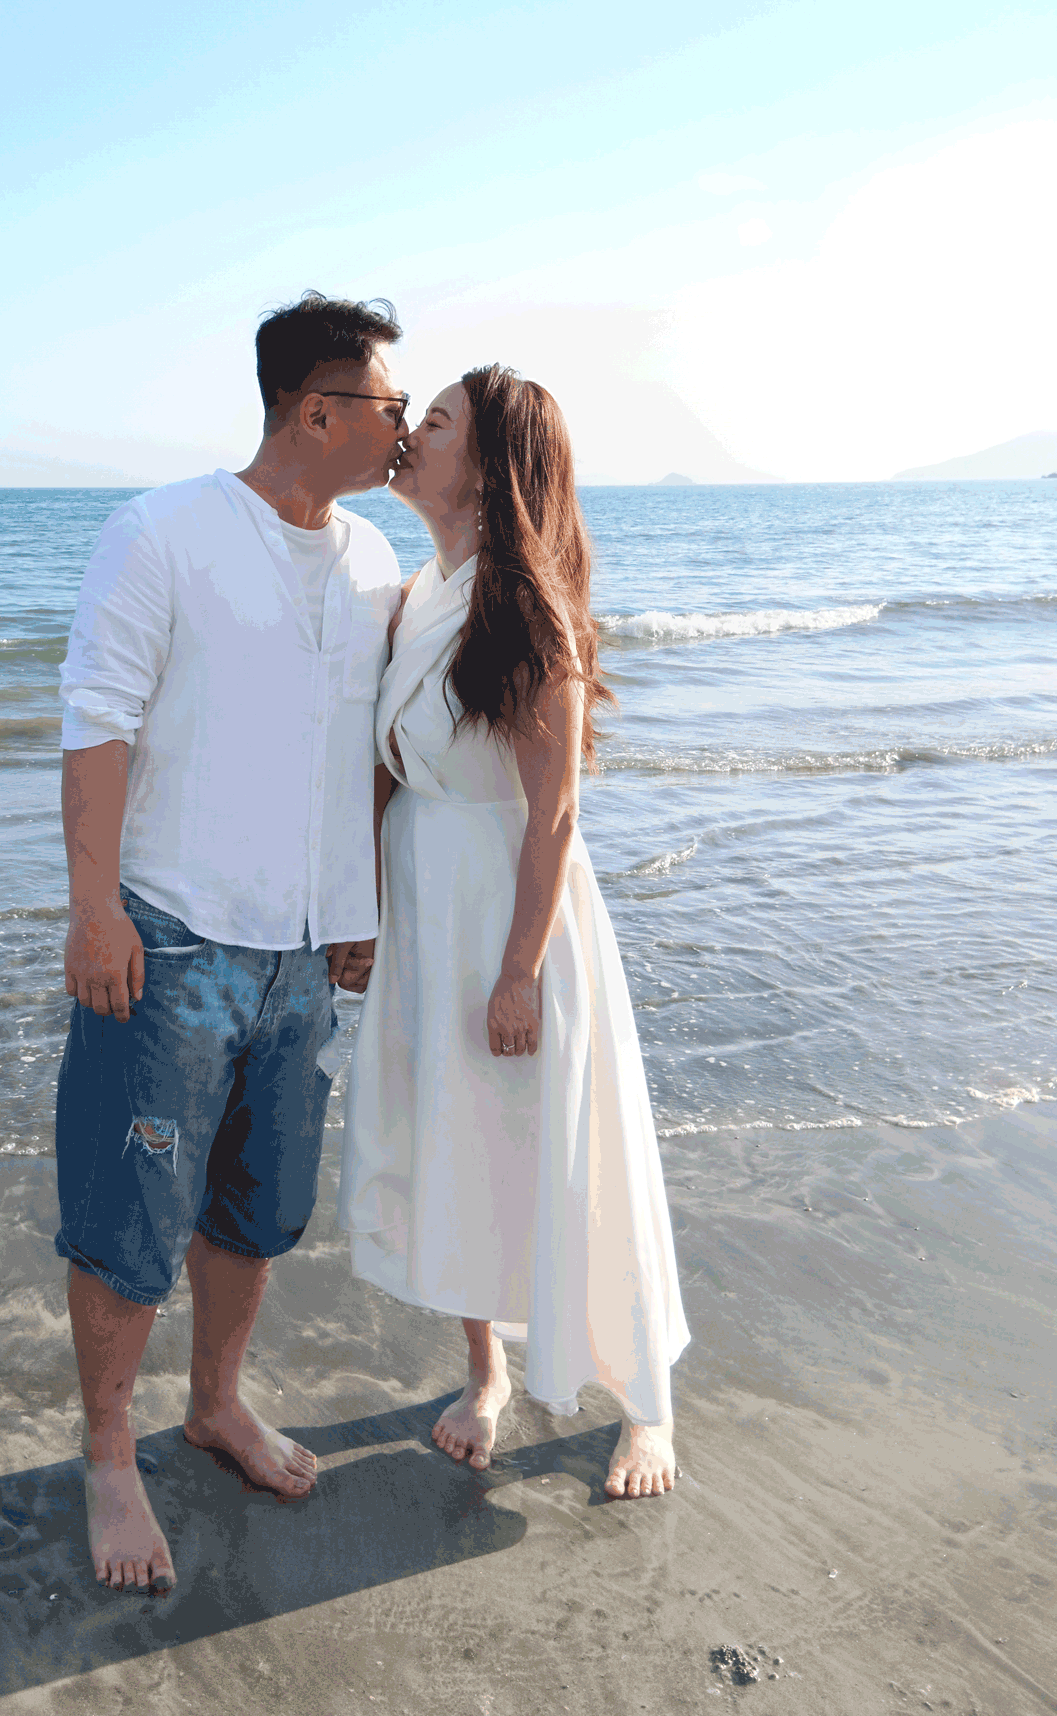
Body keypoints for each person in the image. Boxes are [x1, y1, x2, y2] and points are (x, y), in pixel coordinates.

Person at [56, 293, 407, 1591]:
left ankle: (214, 1404)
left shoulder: (374, 561)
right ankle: (107, 1454)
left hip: (306, 957)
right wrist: (95, 908)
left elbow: (371, 755)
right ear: (317, 410)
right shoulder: (161, 533)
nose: (403, 427)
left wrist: (359, 908)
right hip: (171, 936)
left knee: (259, 1214)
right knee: (129, 1213)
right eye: (388, 405)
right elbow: (95, 720)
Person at [338, 364, 690, 1499]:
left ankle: (646, 1406)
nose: (407, 435)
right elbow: (389, 777)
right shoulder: (412, 596)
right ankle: (484, 1371)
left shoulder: (523, 605)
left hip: (514, 917)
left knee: (564, 1141)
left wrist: (521, 970)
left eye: (431, 423)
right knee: (456, 1139)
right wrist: (364, 915)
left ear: (486, 470)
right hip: (430, 909)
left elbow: (556, 809)